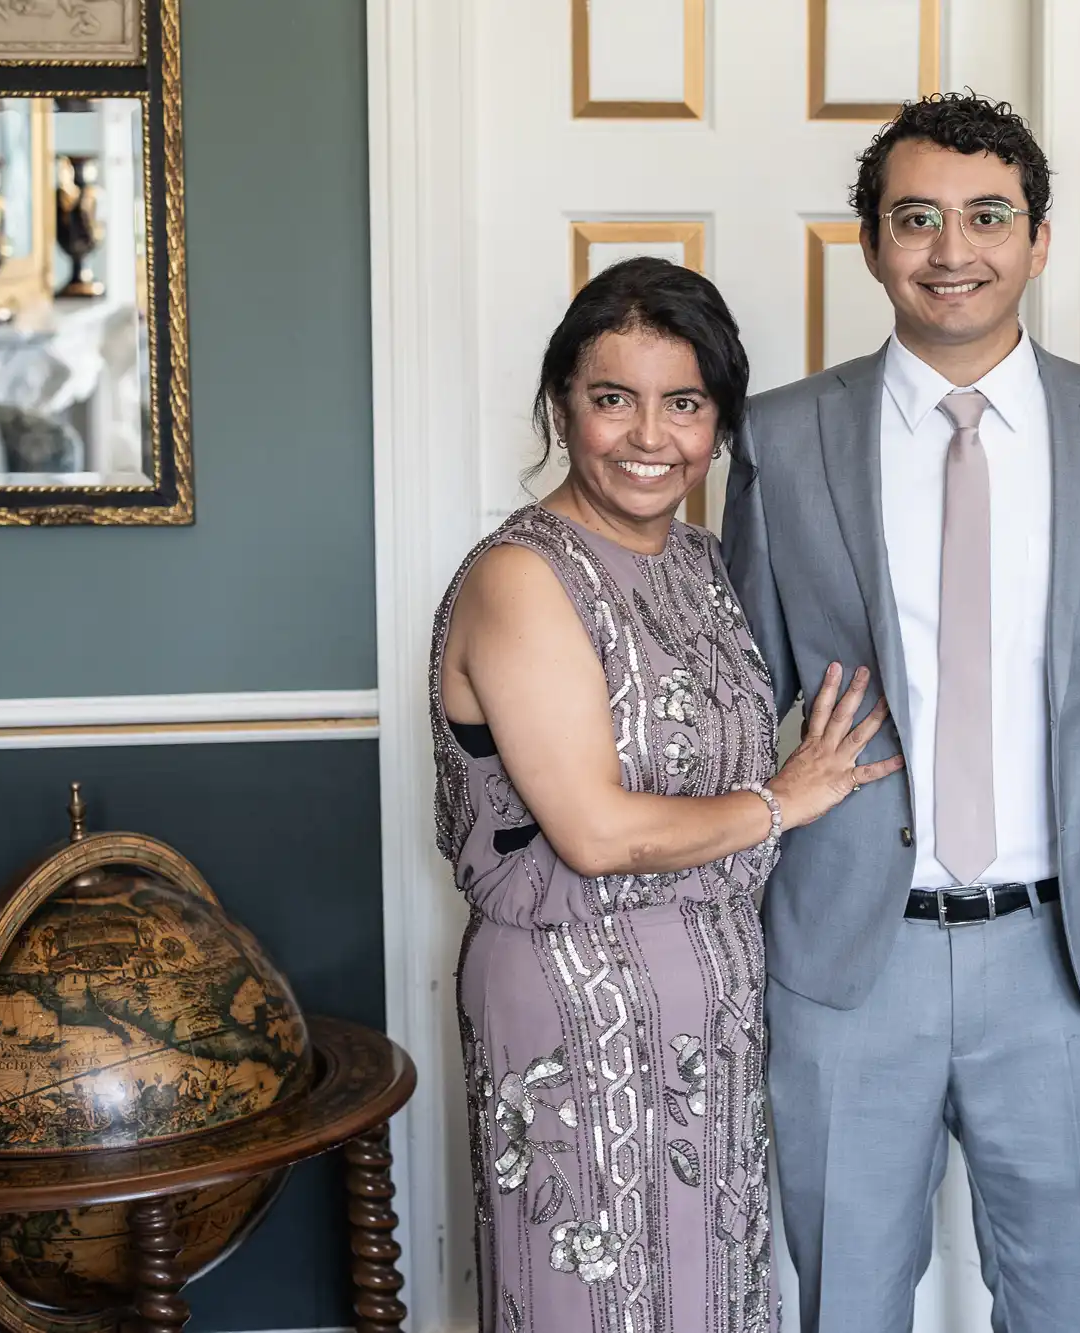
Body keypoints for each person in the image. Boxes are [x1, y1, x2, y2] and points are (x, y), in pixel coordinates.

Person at [723, 93, 1080, 1333]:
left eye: (987, 216)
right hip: (845, 957)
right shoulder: (778, 437)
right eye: (914, 219)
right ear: (869, 243)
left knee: (1053, 1301)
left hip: (1058, 954)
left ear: (1038, 240)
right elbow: (726, 693)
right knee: (850, 1299)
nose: (950, 249)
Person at [431, 257, 902, 1333]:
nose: (651, 437)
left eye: (683, 403)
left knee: (709, 1297)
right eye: (613, 399)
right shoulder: (521, 577)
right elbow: (594, 831)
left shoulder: (696, 559)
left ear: (719, 419)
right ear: (562, 405)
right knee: (591, 1302)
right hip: (572, 1012)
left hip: (713, 1018)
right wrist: (784, 800)